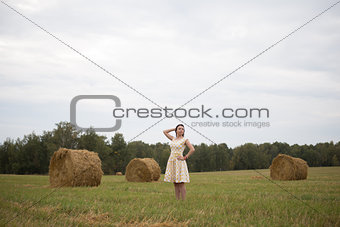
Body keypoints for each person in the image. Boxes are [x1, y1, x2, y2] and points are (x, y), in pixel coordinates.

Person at [163, 124, 195, 200]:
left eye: (183, 129)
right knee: (175, 182)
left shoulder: (185, 140)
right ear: (176, 130)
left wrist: (185, 157)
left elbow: (192, 149)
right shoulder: (173, 138)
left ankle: (183, 200)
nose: (181, 130)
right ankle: (177, 200)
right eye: (179, 129)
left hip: (179, 161)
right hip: (172, 160)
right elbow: (164, 132)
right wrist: (174, 128)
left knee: (181, 183)